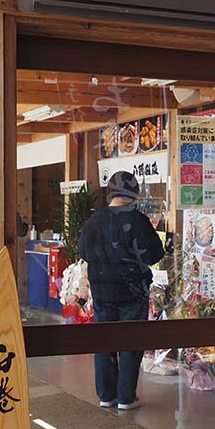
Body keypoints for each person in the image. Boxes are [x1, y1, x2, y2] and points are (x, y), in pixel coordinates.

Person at [77, 171, 164, 410]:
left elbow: (83, 251)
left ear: (110, 193)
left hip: (103, 294)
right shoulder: (138, 220)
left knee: (104, 343)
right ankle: (126, 397)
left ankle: (106, 395)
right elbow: (155, 254)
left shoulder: (94, 221)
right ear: (133, 194)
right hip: (133, 294)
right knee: (130, 342)